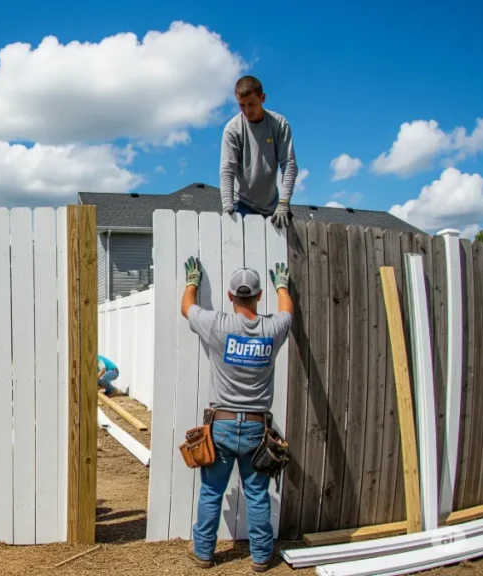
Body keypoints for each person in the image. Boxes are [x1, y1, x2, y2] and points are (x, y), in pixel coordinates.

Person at [182, 257, 293, 573]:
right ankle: (260, 558)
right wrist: (282, 285)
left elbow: (186, 307)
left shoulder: (218, 325)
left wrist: (193, 280)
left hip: (223, 425)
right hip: (258, 430)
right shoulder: (273, 328)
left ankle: (204, 553)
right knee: (257, 494)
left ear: (230, 297)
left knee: (212, 491)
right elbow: (287, 311)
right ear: (259, 296)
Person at [219, 75, 299, 228]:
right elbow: (227, 170)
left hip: (273, 206)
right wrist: (227, 207)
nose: (247, 111)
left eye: (252, 104)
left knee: (278, 250)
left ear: (263, 98)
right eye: (242, 105)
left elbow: (289, 164)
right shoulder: (233, 129)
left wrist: (283, 203)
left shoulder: (279, 124)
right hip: (241, 203)